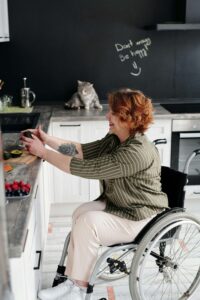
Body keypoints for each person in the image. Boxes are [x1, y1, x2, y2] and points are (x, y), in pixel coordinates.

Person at [21, 89, 168, 300]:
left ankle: (80, 290)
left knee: (88, 223)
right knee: (80, 213)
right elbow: (82, 151)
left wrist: (43, 152)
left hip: (140, 215)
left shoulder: (136, 152)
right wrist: (46, 139)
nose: (107, 116)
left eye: (114, 113)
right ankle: (73, 281)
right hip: (122, 204)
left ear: (129, 118)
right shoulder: (116, 138)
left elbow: (86, 168)